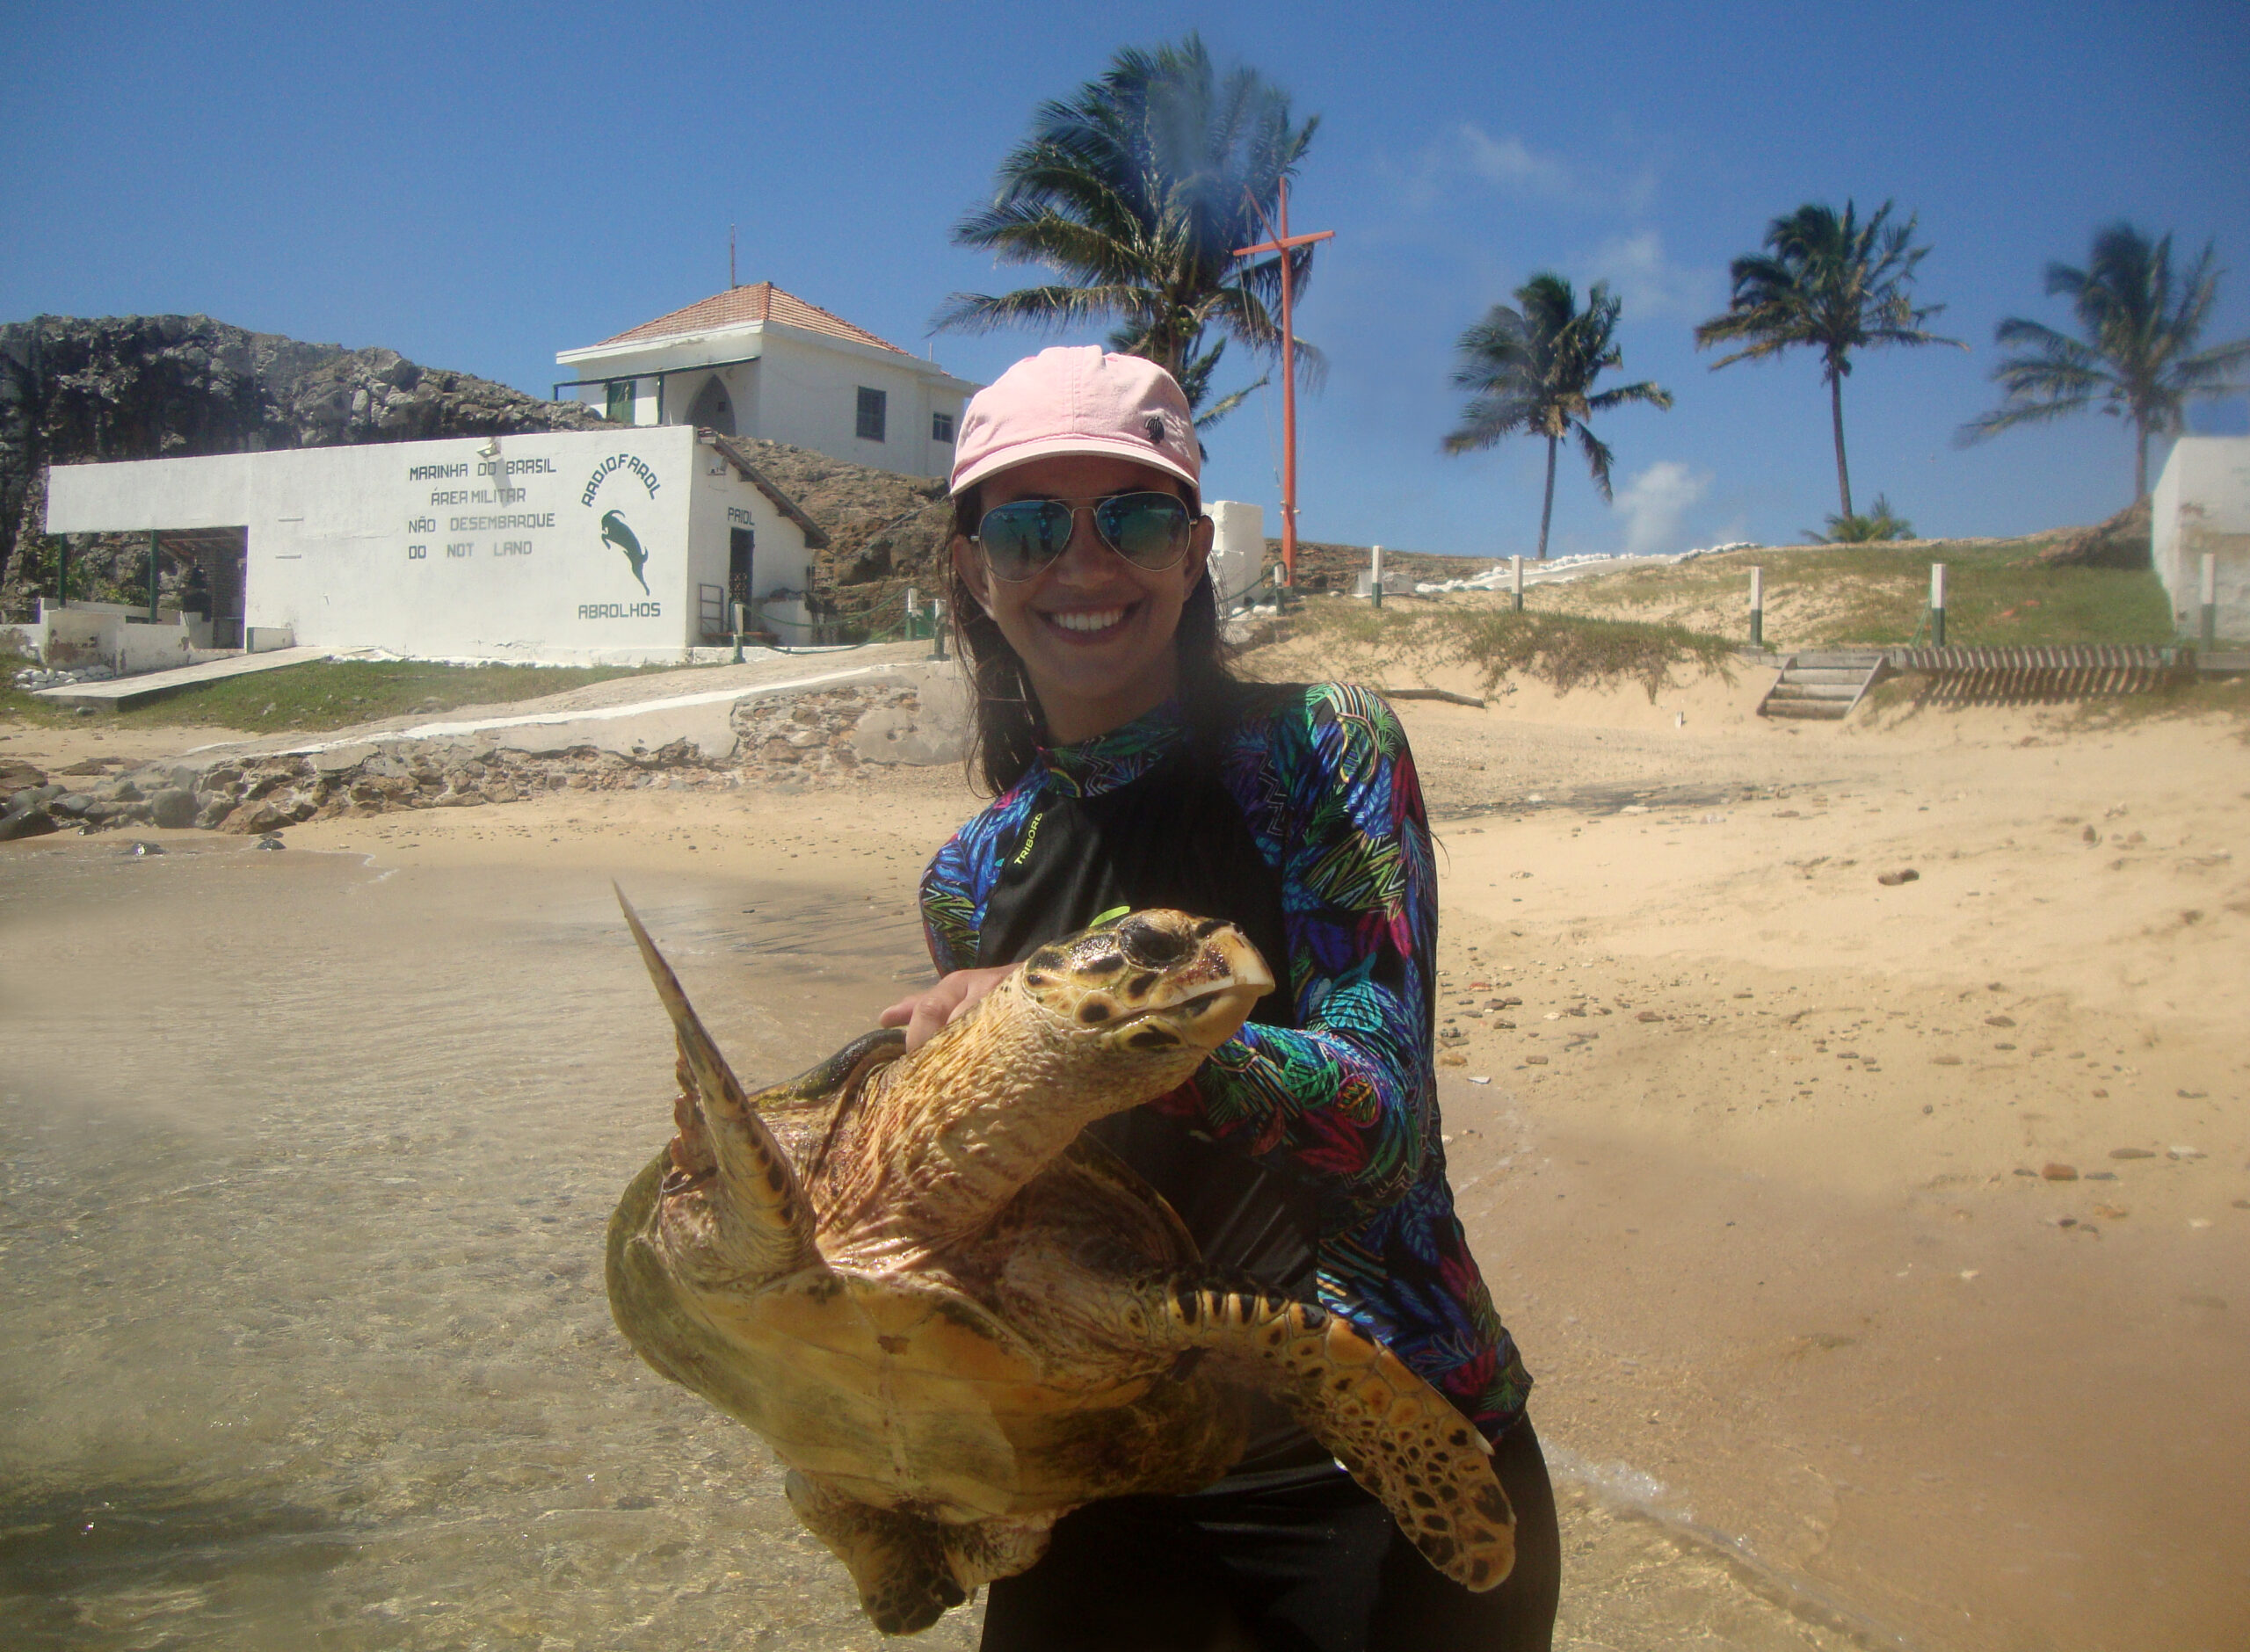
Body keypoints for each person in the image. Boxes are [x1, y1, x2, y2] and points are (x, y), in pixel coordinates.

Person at [881, 347, 1559, 1652]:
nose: (1083, 565)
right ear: (975, 570)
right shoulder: (973, 878)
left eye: (1129, 518)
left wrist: (1063, 1032)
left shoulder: (1320, 750)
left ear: (1194, 551)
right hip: (1104, 1480)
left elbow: (1380, 1122)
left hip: (1393, 1468)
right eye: (1029, 526)